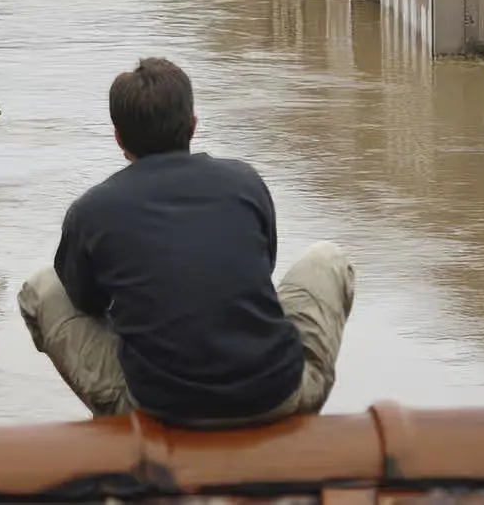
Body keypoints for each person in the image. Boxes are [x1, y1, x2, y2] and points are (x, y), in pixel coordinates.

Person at [18, 57, 354, 428]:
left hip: (160, 412)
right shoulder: (245, 182)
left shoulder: (91, 210)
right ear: (193, 126)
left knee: (41, 288)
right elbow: (264, 269)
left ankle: (120, 422)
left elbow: (86, 303)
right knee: (327, 258)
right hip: (280, 396)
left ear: (118, 138)